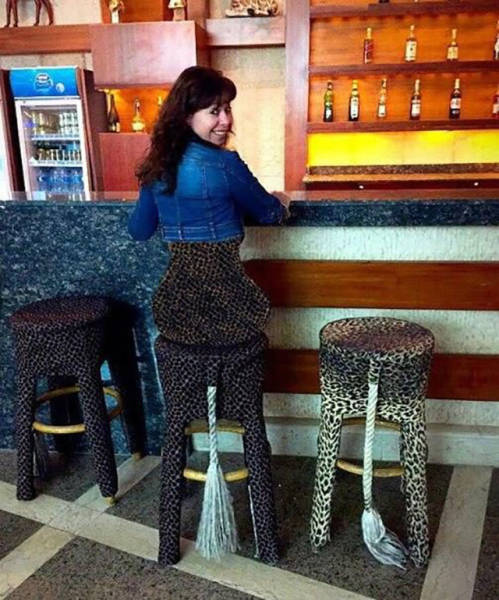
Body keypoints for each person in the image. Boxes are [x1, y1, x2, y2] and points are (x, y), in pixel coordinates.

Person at [128, 65, 290, 345]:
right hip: (233, 310)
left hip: (175, 312)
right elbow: (270, 214)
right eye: (214, 112)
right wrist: (282, 200)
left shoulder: (158, 166)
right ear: (187, 116)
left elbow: (139, 230)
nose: (226, 120)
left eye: (227, 109)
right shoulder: (226, 164)